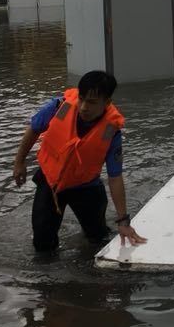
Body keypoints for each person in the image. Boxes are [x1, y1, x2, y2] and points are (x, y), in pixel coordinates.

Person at [12, 70, 146, 252]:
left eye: (91, 102)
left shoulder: (111, 131)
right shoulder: (59, 106)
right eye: (82, 99)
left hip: (86, 186)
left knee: (98, 239)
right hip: (51, 182)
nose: (83, 107)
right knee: (43, 243)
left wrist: (123, 221)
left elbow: (115, 177)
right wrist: (19, 162)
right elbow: (34, 129)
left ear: (106, 103)